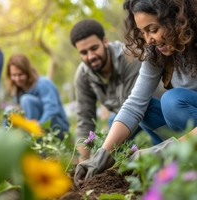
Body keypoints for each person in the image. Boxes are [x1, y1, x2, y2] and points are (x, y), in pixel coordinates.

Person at [74, 0, 197, 185]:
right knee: (145, 106)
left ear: (175, 20)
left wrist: (167, 150)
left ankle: (180, 157)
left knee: (172, 101)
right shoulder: (155, 52)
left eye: (153, 29)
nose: (148, 40)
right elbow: (134, 105)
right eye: (143, 32)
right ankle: (178, 165)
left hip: (185, 122)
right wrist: (103, 153)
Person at [70, 19, 165, 162]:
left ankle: (160, 154)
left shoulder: (131, 56)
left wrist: (107, 150)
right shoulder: (83, 76)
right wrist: (83, 160)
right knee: (111, 129)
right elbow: (85, 120)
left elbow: (135, 108)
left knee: (118, 140)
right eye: (83, 52)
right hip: (123, 117)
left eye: (94, 48)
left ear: (105, 41)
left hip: (153, 111)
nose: (90, 56)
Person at [5, 54, 69, 140]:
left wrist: (39, 125)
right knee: (9, 111)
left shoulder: (43, 83)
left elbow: (52, 109)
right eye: (14, 75)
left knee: (26, 100)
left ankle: (36, 146)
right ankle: (5, 143)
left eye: (20, 74)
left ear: (27, 72)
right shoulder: (18, 91)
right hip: (35, 127)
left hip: (57, 127)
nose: (17, 79)